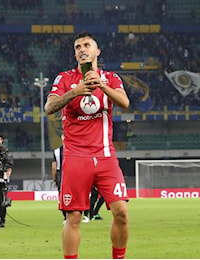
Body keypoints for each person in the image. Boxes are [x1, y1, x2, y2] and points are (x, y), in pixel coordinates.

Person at [44, 31, 130, 259]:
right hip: (75, 157)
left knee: (121, 211)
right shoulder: (64, 79)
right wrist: (74, 92)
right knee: (73, 217)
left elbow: (124, 102)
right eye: (77, 47)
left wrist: (100, 85)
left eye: (86, 45)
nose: (81, 49)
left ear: (96, 51)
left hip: (105, 156)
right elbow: (49, 107)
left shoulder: (110, 77)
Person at [52, 145, 66, 223]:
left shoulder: (56, 150)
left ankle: (65, 216)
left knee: (61, 195)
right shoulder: (74, 148)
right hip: (70, 172)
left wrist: (55, 178)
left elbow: (54, 166)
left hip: (60, 173)